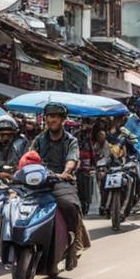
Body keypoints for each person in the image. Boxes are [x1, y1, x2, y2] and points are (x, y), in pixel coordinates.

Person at [30, 103, 89, 269]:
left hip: (62, 181)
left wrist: (65, 171)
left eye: (56, 117)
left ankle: (72, 244)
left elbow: (72, 160)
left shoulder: (71, 141)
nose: (52, 120)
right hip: (40, 182)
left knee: (69, 205)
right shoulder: (39, 140)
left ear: (63, 120)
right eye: (50, 116)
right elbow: (29, 157)